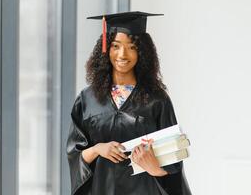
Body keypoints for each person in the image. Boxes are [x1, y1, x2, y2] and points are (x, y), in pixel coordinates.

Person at [67, 11, 191, 195]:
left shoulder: (157, 99)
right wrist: (97, 149)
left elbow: (174, 165)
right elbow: (75, 154)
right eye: (115, 46)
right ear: (106, 48)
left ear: (142, 52)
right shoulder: (87, 99)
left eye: (131, 47)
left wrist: (154, 168)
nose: (122, 54)